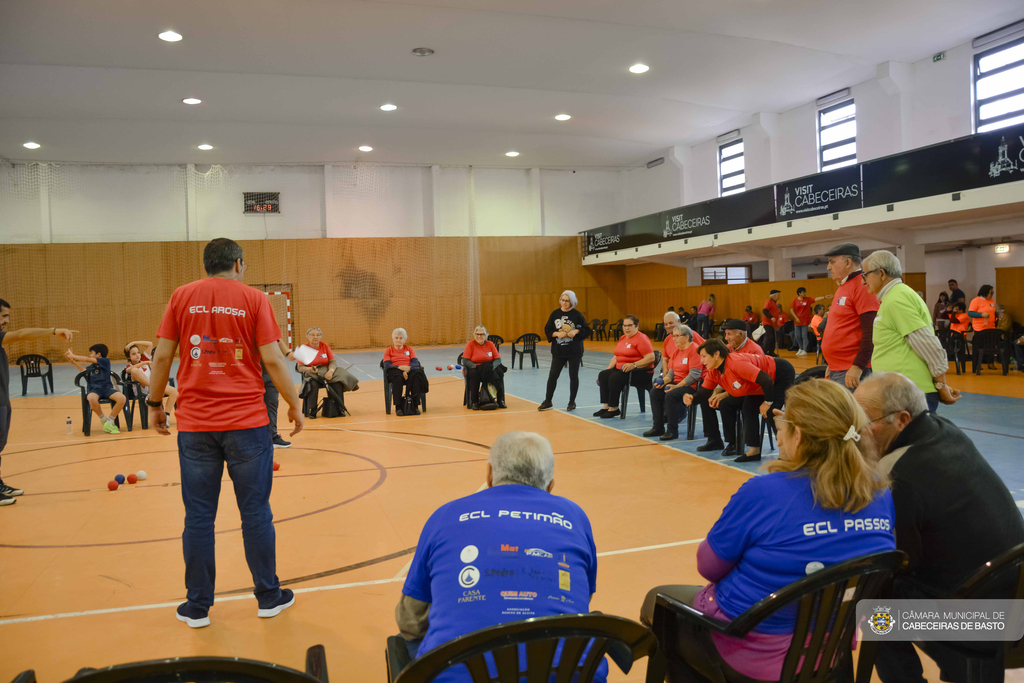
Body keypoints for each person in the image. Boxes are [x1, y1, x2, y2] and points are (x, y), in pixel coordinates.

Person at [642, 378, 895, 681]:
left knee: (659, 603)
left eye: (783, 418)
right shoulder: (880, 492)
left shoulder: (765, 492)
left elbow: (708, 566)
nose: (779, 425)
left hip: (753, 653)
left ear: (798, 435)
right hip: (830, 649)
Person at [146, 238, 303, 628]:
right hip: (247, 423)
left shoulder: (182, 296)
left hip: (196, 425)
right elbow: (273, 357)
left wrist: (154, 405)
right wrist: (295, 403)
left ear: (207, 264)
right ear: (237, 263)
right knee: (255, 512)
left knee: (198, 516)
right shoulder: (254, 299)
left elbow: (162, 355)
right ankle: (269, 596)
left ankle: (197, 606)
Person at [854, 373, 1024, 683]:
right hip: (1012, 591)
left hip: (983, 621)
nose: (857, 432)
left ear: (902, 420)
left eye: (864, 421)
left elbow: (900, 563)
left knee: (874, 603)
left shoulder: (901, 478)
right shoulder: (944, 430)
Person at [395, 431, 605, 683]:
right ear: (550, 487)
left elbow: (410, 622)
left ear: (490, 475)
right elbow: (582, 600)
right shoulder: (575, 516)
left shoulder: (445, 515)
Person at [861, 250, 959, 414]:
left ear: (882, 273)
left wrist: (941, 385)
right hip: (901, 390)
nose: (863, 282)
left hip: (908, 392)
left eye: (865, 275)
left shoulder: (897, 299)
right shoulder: (894, 297)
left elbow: (927, 344)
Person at [0, 299, 75, 506]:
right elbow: (21, 334)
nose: (7, 320)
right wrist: (53, 331)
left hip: (3, 398)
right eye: (4, 316)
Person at [684, 339, 795, 462]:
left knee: (770, 412)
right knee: (748, 408)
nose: (701, 361)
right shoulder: (713, 370)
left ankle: (787, 453)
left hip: (780, 374)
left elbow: (766, 379)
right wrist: (692, 399)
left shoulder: (736, 363)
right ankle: (754, 452)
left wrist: (767, 402)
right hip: (758, 384)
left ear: (716, 354)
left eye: (704, 356)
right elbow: (703, 393)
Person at [646, 325, 722, 446]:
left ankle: (672, 430)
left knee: (671, 395)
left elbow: (694, 375)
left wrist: (676, 387)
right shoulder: (676, 351)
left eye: (676, 336)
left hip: (691, 385)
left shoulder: (695, 350)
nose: (673, 339)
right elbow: (671, 372)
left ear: (686, 337)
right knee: (655, 392)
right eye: (673, 336)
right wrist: (664, 381)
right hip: (677, 383)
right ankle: (658, 427)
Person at [820, 243, 878, 389]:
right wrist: (832, 364)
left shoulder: (862, 286)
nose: (828, 267)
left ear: (847, 262)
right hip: (838, 367)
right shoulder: (843, 286)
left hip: (851, 368)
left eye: (832, 262)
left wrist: (857, 366)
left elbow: (871, 331)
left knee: (851, 412)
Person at [594, 315, 655, 419]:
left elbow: (651, 358)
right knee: (603, 374)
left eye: (629, 325)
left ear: (637, 326)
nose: (626, 328)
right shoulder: (623, 338)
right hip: (622, 370)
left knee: (615, 378)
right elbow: (616, 357)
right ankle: (607, 405)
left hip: (640, 372)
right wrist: (608, 369)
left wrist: (633, 365)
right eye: (624, 325)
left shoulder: (641, 339)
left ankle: (614, 408)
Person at [539, 291, 590, 412]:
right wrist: (557, 334)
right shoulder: (555, 314)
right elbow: (548, 329)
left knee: (573, 376)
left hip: (574, 351)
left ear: (572, 301)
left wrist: (576, 332)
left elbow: (586, 329)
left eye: (567, 300)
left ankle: (572, 402)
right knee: (553, 376)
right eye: (563, 300)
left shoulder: (577, 315)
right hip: (559, 351)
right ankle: (548, 401)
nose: (564, 302)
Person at [296, 326, 359, 416]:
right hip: (312, 374)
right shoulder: (304, 349)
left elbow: (332, 361)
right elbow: (300, 367)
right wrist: (309, 369)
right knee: (313, 384)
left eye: (318, 335)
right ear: (307, 337)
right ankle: (312, 410)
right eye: (312, 335)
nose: (315, 337)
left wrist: (331, 371)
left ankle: (339, 408)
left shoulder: (325, 346)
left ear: (320, 337)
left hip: (326, 372)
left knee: (337, 383)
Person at [65, 344, 127, 435]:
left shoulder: (105, 361)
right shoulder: (91, 367)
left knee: (122, 398)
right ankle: (104, 420)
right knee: (91, 398)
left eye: (92, 353)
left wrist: (73, 355)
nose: (90, 355)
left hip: (107, 389)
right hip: (94, 390)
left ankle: (110, 422)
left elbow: (86, 359)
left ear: (98, 354)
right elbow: (83, 371)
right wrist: (73, 361)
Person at [125, 341, 179, 427]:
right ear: (129, 357)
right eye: (133, 354)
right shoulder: (130, 366)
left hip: (155, 387)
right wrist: (142, 363)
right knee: (134, 371)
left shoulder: (144, 358)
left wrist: (133, 342)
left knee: (175, 392)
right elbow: (128, 370)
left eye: (138, 352)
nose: (137, 355)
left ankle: (167, 416)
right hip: (142, 390)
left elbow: (150, 344)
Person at [384, 328, 428, 416]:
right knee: (398, 378)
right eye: (396, 338)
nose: (398, 340)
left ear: (404, 339)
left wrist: (408, 369)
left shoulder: (409, 349)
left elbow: (415, 362)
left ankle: (415, 406)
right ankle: (398, 406)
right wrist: (400, 368)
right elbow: (387, 365)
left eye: (401, 338)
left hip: (409, 369)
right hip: (396, 370)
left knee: (417, 377)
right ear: (393, 339)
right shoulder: (389, 350)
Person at [462, 325, 506, 410]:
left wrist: (491, 367)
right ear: (474, 335)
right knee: (474, 374)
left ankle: (500, 400)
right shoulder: (470, 344)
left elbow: (498, 359)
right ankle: (474, 401)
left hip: (489, 369)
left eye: (482, 334)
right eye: (477, 334)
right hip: (475, 368)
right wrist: (477, 367)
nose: (479, 336)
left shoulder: (490, 344)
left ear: (486, 335)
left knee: (499, 372)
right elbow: (465, 360)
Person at [262, 339, 294, 447]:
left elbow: (278, 339)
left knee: (272, 404)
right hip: (252, 373)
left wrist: (288, 353)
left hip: (270, 373)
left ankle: (273, 437)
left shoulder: (267, 326)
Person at [789, 288, 831, 357]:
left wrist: (824, 297)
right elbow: (791, 310)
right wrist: (796, 317)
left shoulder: (807, 299)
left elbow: (815, 299)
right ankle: (800, 348)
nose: (805, 293)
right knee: (797, 336)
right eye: (803, 292)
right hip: (797, 321)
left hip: (805, 321)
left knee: (804, 336)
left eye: (805, 292)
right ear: (799, 293)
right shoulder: (795, 300)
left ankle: (805, 350)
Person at [760, 290, 782, 356]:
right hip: (767, 323)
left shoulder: (774, 303)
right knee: (769, 337)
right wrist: (771, 317)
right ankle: (764, 351)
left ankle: (771, 352)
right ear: (774, 296)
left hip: (772, 324)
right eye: (777, 295)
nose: (778, 296)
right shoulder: (769, 302)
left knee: (773, 338)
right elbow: (765, 310)